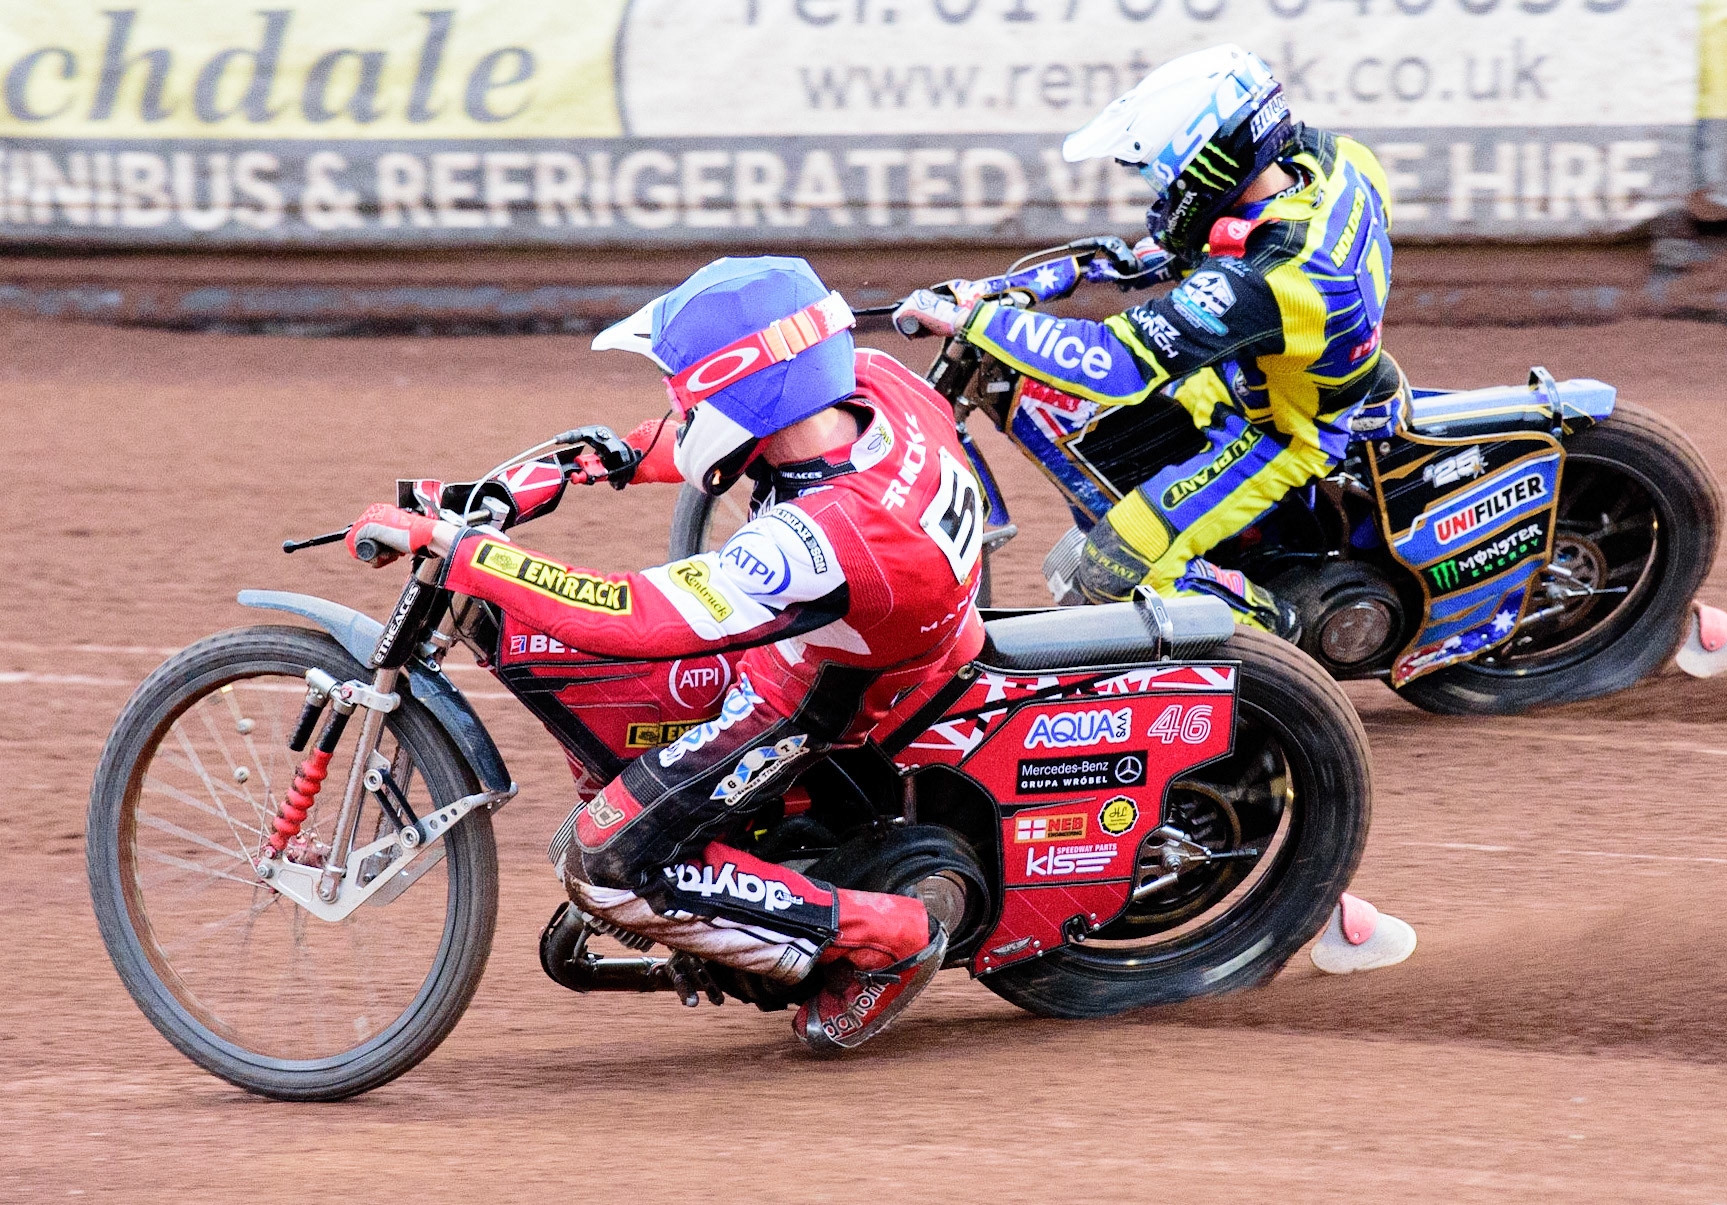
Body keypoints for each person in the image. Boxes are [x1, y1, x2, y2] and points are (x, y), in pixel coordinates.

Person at [345, 256, 984, 1050]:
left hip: (819, 692)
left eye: (687, 388)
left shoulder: (813, 537)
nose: (678, 403)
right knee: (619, 718)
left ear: (743, 390)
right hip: (893, 634)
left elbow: (632, 617)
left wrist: (465, 550)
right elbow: (702, 442)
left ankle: (889, 935)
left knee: (602, 861)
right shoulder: (871, 383)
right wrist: (576, 465)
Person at [894, 43, 1403, 643]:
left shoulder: (1277, 273)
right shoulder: (1337, 160)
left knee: (1109, 568)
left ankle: (1284, 632)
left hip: (1286, 432)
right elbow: (1197, 251)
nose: (1156, 192)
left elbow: (1115, 362)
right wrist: (1028, 285)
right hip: (1269, 368)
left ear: (1209, 162)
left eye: (1159, 174)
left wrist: (975, 322)